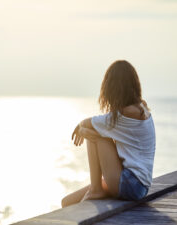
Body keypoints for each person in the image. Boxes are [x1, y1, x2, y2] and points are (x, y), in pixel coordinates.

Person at [61, 60, 156, 207]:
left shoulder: (124, 114)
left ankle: (96, 188)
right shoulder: (141, 107)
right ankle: (96, 187)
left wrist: (82, 129)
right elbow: (92, 124)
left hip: (130, 184)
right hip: (137, 186)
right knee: (66, 202)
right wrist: (83, 129)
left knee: (94, 133)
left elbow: (87, 123)